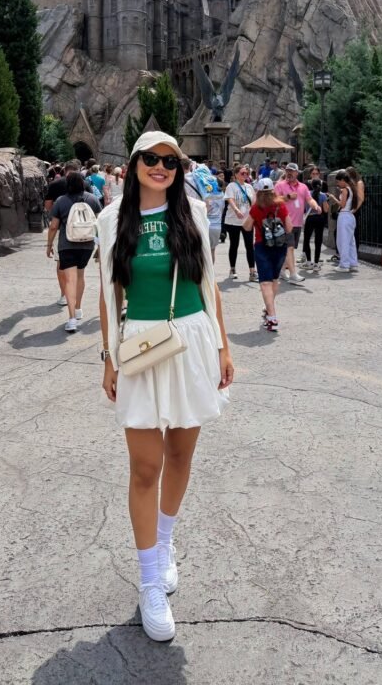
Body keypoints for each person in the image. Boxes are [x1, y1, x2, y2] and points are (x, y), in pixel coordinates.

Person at [97, 131, 233, 643]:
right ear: (134, 165)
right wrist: (107, 358)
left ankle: (165, 540)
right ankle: (150, 580)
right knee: (144, 467)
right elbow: (109, 293)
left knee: (179, 455)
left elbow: (209, 284)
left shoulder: (191, 213)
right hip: (140, 343)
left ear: (179, 169)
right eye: (152, 159)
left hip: (191, 338)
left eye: (170, 161)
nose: (161, 168)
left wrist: (223, 346)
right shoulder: (112, 220)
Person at [46, 171, 102, 330]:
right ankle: (78, 308)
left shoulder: (61, 201)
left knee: (70, 280)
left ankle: (71, 319)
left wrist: (49, 245)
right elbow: (100, 223)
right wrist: (100, 245)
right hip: (87, 244)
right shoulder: (92, 199)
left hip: (67, 244)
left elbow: (53, 226)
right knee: (80, 275)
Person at [242, 177, 293, 331]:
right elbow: (289, 228)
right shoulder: (280, 205)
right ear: (273, 190)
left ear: (257, 191)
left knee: (265, 282)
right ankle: (269, 311)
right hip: (280, 246)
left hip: (262, 246)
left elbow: (247, 227)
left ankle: (272, 317)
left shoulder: (256, 208)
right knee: (274, 279)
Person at [274, 163, 320, 282]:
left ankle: (281, 271)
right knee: (289, 248)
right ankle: (293, 274)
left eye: (292, 171)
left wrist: (316, 206)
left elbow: (309, 199)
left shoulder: (303, 187)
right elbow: (274, 200)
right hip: (284, 222)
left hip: (298, 223)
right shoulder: (280, 185)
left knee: (289, 249)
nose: (289, 173)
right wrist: (288, 197)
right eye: (287, 171)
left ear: (297, 173)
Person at [44, 160, 79, 306]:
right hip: (81, 229)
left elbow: (47, 206)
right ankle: (77, 296)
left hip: (61, 229)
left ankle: (64, 294)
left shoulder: (55, 184)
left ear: (65, 171)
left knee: (61, 263)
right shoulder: (84, 184)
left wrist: (57, 213)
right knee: (79, 265)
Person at [224, 165, 258, 281]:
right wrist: (236, 210)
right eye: (242, 173)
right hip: (233, 220)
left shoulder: (249, 187)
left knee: (250, 246)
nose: (245, 175)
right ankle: (232, 269)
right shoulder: (231, 186)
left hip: (247, 221)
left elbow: (254, 202)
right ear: (236, 174)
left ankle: (252, 271)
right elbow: (230, 199)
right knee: (234, 245)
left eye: (247, 173)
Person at [302, 178, 328, 271]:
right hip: (319, 218)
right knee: (318, 240)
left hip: (310, 218)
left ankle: (309, 262)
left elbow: (303, 207)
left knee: (306, 240)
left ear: (311, 185)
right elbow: (326, 210)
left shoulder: (307, 194)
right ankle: (316, 264)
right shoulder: (323, 195)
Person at [334, 171, 358, 272]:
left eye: (338, 181)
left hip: (344, 216)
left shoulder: (345, 190)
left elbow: (342, 205)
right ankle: (353, 263)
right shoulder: (352, 189)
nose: (338, 184)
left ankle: (344, 265)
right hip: (350, 216)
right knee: (351, 241)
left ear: (343, 180)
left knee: (342, 241)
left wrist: (333, 198)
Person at [346, 166, 365, 261]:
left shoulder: (359, 183)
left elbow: (361, 199)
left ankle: (354, 254)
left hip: (355, 210)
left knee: (354, 232)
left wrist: (354, 210)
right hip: (350, 210)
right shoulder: (351, 183)